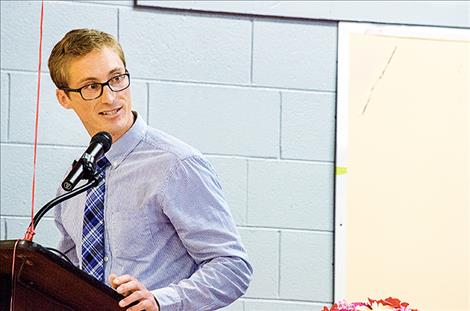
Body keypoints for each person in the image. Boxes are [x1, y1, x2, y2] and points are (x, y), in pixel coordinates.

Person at [48, 28, 252, 311]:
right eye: (91, 86)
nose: (110, 97)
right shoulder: (73, 181)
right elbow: (71, 274)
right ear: (64, 98)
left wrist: (159, 301)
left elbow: (233, 269)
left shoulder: (177, 164)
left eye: (116, 78)